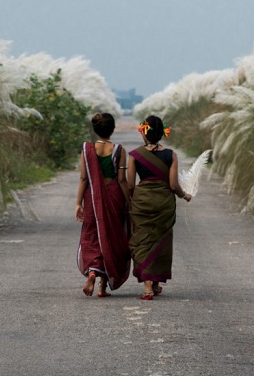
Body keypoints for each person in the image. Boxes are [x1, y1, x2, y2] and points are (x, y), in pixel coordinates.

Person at [127, 115, 192, 300]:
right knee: (160, 241)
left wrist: (134, 201)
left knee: (142, 240)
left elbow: (130, 185)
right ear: (162, 132)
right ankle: (155, 284)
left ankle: (147, 286)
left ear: (144, 132)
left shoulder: (134, 155)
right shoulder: (171, 155)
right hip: (164, 202)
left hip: (142, 202)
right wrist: (184, 195)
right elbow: (173, 185)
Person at [75, 113, 131, 297]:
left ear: (95, 129)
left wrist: (78, 203)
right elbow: (122, 180)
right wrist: (129, 201)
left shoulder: (87, 149)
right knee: (111, 236)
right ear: (113, 129)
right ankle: (102, 287)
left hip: (92, 197)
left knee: (92, 235)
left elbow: (84, 178)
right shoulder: (119, 150)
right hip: (114, 196)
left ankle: (92, 272)